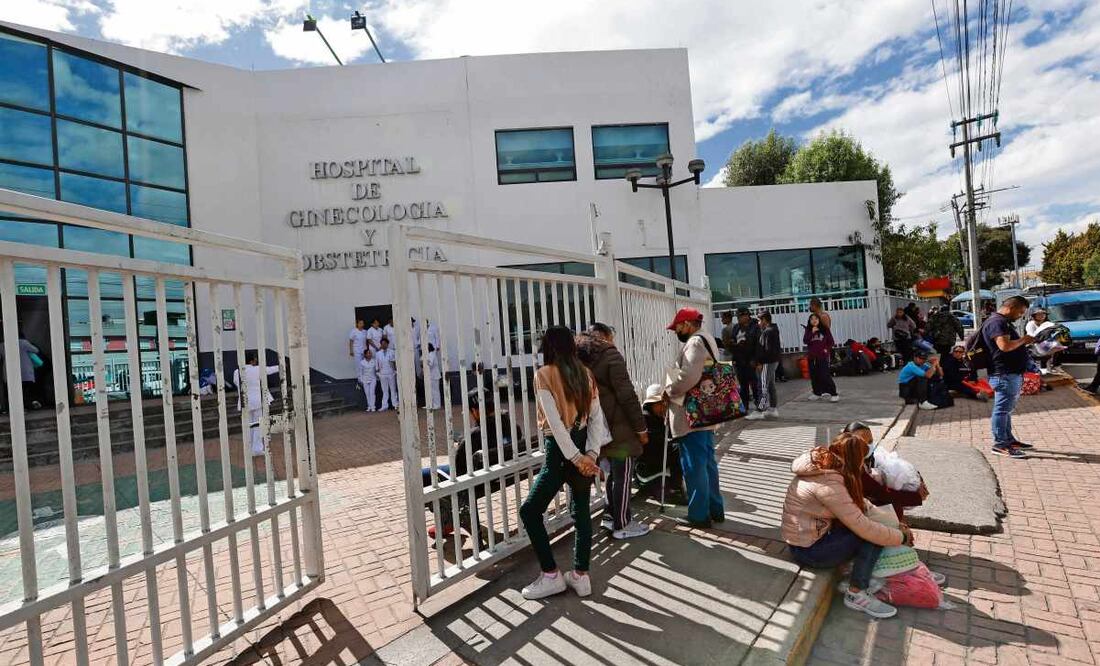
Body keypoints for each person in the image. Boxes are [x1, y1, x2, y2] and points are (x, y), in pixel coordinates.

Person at [519, 326, 610, 600]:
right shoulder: (586, 374)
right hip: (582, 446)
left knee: (530, 512)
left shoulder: (544, 375)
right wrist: (590, 455)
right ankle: (581, 576)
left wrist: (578, 458)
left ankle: (551, 575)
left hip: (560, 453)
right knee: (580, 511)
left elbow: (555, 425)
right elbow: (596, 418)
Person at [781, 432, 912, 619]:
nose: (864, 465)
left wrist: (895, 525)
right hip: (809, 552)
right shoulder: (828, 483)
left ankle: (860, 572)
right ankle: (856, 592)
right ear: (854, 460)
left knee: (873, 527)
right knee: (870, 534)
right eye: (862, 460)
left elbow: (859, 506)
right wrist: (901, 537)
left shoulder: (825, 467)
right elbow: (863, 526)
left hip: (807, 541)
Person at [576, 323, 650, 540]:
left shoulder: (583, 358)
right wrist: (641, 428)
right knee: (624, 476)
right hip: (620, 428)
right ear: (607, 336)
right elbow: (626, 395)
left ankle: (610, 517)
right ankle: (623, 524)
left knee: (612, 476)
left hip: (600, 428)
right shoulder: (610, 355)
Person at [423, 391, 526, 543]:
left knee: (425, 474)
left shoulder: (473, 437)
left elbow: (457, 472)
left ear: (476, 410)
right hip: (501, 473)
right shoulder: (512, 426)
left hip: (477, 480)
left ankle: (447, 521)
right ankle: (449, 520)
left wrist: (460, 447)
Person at [664, 307, 725, 528]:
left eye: (677, 327)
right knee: (707, 463)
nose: (675, 331)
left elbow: (688, 376)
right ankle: (715, 509)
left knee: (694, 466)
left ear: (688, 324)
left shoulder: (694, 343)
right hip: (704, 412)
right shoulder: (707, 339)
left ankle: (699, 515)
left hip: (692, 416)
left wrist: (669, 388)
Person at [981, 295, 1036, 458]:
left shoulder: (1000, 322)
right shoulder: (997, 323)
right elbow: (1004, 346)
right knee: (1002, 411)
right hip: (1004, 374)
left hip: (1008, 373)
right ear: (1011, 307)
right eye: (1020, 312)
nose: (1020, 316)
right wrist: (1024, 340)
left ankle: (1008, 440)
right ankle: (1000, 444)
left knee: (1006, 410)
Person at [635, 384, 686, 504]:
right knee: (678, 450)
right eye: (661, 403)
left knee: (678, 447)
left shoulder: (655, 417)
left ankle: (675, 487)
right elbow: (656, 444)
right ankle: (674, 488)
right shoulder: (646, 419)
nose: (664, 406)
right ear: (653, 404)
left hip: (653, 459)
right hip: (648, 465)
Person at [233, 350, 280, 456]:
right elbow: (270, 370)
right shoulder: (257, 369)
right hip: (258, 401)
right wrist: (280, 366)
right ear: (252, 360)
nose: (256, 360)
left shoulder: (237, 372)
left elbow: (237, 384)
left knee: (247, 426)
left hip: (245, 402)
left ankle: (248, 449)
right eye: (255, 358)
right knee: (258, 425)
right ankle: (257, 449)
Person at [746, 311, 781, 420]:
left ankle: (760, 410)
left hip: (767, 362)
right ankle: (773, 409)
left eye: (760, 320)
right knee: (770, 385)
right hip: (772, 361)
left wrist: (760, 362)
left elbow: (766, 350)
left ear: (765, 320)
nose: (759, 323)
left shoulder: (768, 332)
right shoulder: (772, 330)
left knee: (763, 386)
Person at [727, 308, 761, 413]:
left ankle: (759, 404)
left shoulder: (755, 327)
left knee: (754, 383)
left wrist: (756, 360)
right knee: (743, 384)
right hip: (739, 359)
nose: (738, 319)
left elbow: (758, 344)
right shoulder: (737, 327)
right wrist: (733, 343)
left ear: (746, 316)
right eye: (737, 317)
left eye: (740, 317)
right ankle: (744, 406)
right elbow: (732, 338)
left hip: (750, 359)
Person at [803, 313, 838, 402]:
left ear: (819, 320)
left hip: (822, 356)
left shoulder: (825, 330)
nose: (814, 320)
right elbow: (805, 341)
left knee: (825, 375)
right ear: (809, 321)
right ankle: (817, 393)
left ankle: (834, 394)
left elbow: (831, 342)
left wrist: (826, 349)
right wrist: (812, 332)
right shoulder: (808, 330)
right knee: (814, 376)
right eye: (812, 319)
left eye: (816, 319)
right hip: (812, 357)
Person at [377, 337, 399, 410]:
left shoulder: (392, 352)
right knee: (384, 390)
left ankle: (395, 404)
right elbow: (376, 364)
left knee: (393, 389)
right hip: (382, 374)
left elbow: (395, 362)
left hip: (391, 373)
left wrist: (395, 371)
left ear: (387, 344)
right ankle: (384, 406)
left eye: (385, 344)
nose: (383, 345)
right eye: (382, 344)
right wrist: (378, 373)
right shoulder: (378, 353)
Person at [425, 343, 443, 409]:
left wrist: (425, 362)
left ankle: (437, 405)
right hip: (432, 375)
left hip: (434, 375)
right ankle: (432, 404)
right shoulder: (431, 354)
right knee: (432, 391)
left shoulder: (431, 354)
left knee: (435, 391)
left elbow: (430, 364)